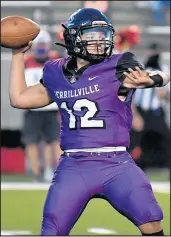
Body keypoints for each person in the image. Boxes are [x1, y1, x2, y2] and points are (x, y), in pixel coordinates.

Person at [9, 8, 169, 236]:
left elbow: (162, 76)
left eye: (102, 36)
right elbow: (19, 98)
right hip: (74, 164)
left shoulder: (119, 63)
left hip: (116, 163)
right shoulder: (55, 72)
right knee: (51, 230)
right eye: (91, 36)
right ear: (74, 38)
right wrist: (17, 54)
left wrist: (153, 78)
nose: (99, 41)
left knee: (151, 220)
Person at [21, 30, 61, 182]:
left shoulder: (55, 60)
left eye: (44, 44)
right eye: (39, 44)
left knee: (54, 140)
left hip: (51, 108)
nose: (41, 47)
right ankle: (36, 173)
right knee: (32, 141)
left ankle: (53, 170)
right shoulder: (27, 60)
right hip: (32, 108)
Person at [131, 43, 170, 168]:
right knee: (132, 143)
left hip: (156, 112)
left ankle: (164, 167)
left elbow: (168, 95)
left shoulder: (164, 69)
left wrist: (164, 94)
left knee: (166, 140)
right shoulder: (139, 69)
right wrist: (135, 115)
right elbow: (128, 95)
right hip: (140, 111)